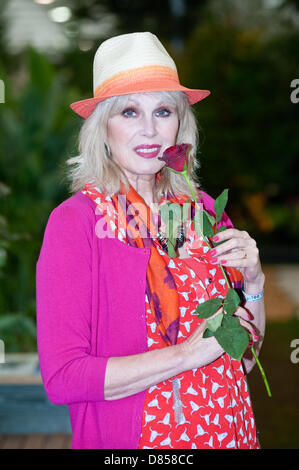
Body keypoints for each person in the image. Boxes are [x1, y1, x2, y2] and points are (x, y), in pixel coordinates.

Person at [36, 32, 266, 449]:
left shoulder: (203, 210)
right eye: (128, 111)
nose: (149, 129)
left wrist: (253, 285)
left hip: (230, 434)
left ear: (180, 123)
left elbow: (244, 358)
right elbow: (63, 378)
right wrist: (184, 356)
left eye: (163, 111)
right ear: (102, 128)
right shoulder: (77, 223)